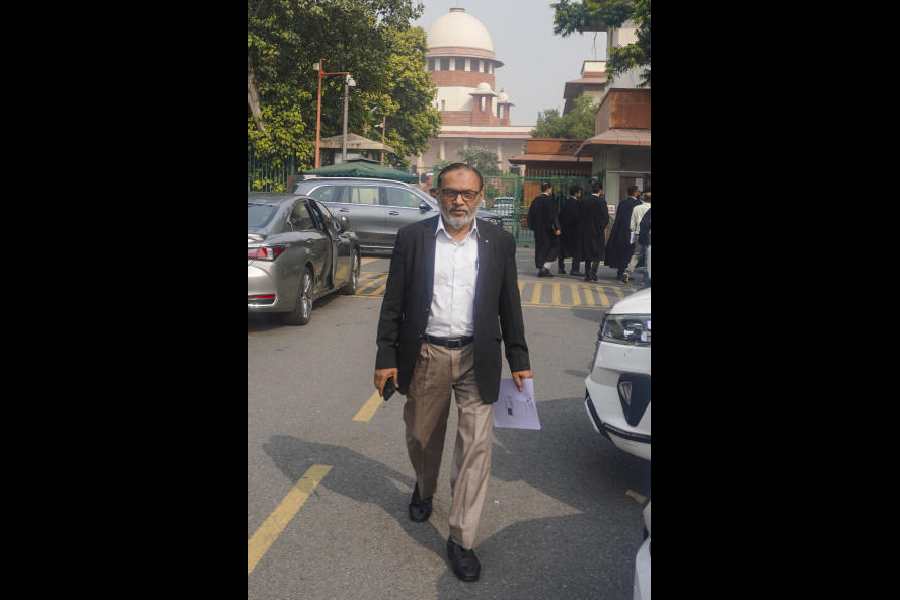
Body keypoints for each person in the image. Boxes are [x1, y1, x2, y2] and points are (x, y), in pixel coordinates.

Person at [374, 163, 533, 583]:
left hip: (476, 357)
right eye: (450, 193)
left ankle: (461, 538)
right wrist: (385, 356)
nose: (458, 201)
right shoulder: (413, 239)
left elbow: (508, 305)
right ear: (437, 194)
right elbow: (392, 302)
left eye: (467, 194)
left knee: (476, 448)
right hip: (426, 354)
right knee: (422, 437)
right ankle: (424, 488)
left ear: (481, 196)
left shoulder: (498, 242)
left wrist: (519, 358)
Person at [605, 185, 642, 282]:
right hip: (632, 232)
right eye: (638, 191)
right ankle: (624, 273)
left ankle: (621, 272)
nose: (639, 193)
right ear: (635, 192)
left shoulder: (622, 203)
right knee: (630, 252)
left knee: (622, 251)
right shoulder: (638, 204)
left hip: (620, 231)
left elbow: (618, 218)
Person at [527, 182, 560, 277]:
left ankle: (540, 267)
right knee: (554, 246)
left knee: (540, 248)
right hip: (549, 230)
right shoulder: (550, 200)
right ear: (549, 189)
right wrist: (557, 228)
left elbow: (530, 215)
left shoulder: (536, 200)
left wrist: (533, 227)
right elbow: (553, 216)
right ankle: (545, 267)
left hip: (538, 230)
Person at [579, 181, 610, 281]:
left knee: (588, 252)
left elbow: (580, 216)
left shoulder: (584, 200)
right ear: (600, 190)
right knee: (597, 253)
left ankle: (587, 274)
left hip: (585, 231)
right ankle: (593, 272)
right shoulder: (601, 201)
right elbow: (605, 217)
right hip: (598, 231)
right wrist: (601, 227)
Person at [624, 191, 651, 284]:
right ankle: (646, 279)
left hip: (638, 234)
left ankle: (627, 272)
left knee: (636, 254)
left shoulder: (636, 208)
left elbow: (632, 224)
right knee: (648, 257)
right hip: (649, 235)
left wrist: (634, 231)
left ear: (643, 198)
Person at [559, 185, 584, 275]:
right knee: (576, 250)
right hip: (575, 230)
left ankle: (561, 268)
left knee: (562, 249)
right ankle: (575, 269)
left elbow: (560, 215)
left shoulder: (565, 202)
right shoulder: (578, 204)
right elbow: (578, 217)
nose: (580, 194)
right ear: (577, 193)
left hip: (565, 229)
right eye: (580, 192)